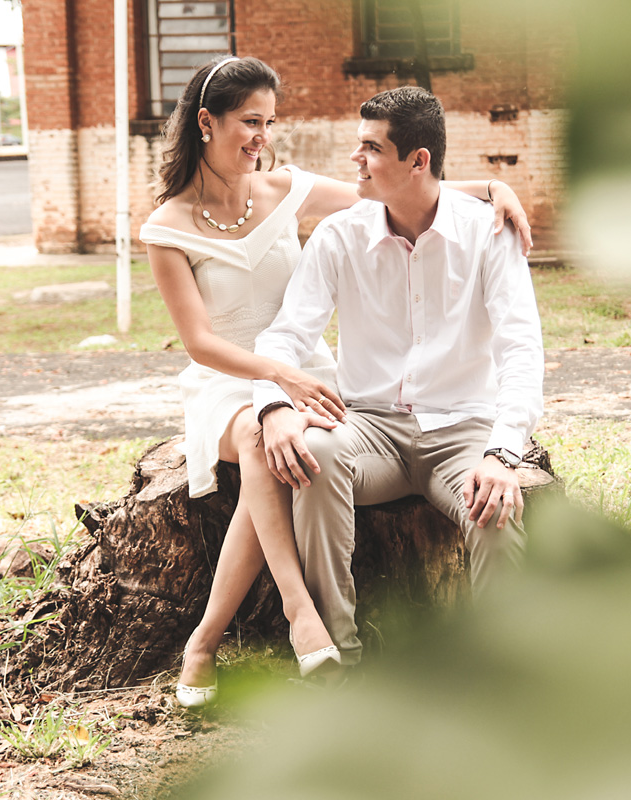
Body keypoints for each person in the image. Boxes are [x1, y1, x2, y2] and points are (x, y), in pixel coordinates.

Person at [140, 57, 532, 706]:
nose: (262, 136)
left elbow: (402, 188)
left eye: (268, 122)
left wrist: (489, 188)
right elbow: (205, 343)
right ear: (206, 123)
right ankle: (317, 638)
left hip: (333, 388)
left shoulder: (291, 191)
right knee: (291, 452)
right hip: (238, 379)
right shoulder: (169, 224)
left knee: (486, 504)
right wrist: (274, 398)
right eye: (250, 122)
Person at [253, 86, 544, 668]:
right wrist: (273, 405)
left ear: (418, 161)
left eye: (370, 148)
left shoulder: (488, 232)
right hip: (370, 428)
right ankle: (337, 653)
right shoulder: (340, 235)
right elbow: (284, 337)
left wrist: (504, 452)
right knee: (314, 452)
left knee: (495, 505)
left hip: (462, 428)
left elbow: (521, 348)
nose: (355, 160)